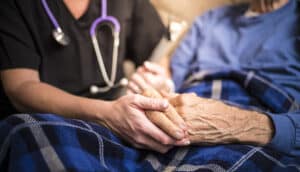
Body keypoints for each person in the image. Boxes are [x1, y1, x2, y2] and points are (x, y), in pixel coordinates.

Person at [0, 0, 190, 153]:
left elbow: (158, 55)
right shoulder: (13, 6)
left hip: (121, 119)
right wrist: (108, 114)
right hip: (48, 122)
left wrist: (159, 81)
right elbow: (20, 87)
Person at [128, 0, 300, 156]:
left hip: (266, 123)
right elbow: (172, 77)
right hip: (189, 113)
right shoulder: (209, 19)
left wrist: (237, 125)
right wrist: (160, 84)